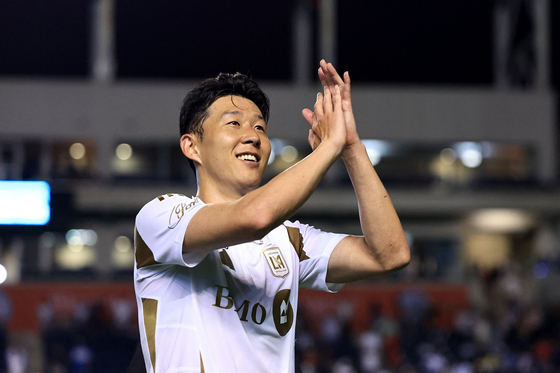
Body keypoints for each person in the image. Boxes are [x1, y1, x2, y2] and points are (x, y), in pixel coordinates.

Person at [133, 60, 410, 373]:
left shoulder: (289, 239)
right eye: (233, 123)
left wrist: (350, 147)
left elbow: (389, 254)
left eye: (259, 127)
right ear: (192, 146)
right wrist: (327, 147)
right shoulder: (162, 216)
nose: (252, 136)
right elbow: (255, 217)